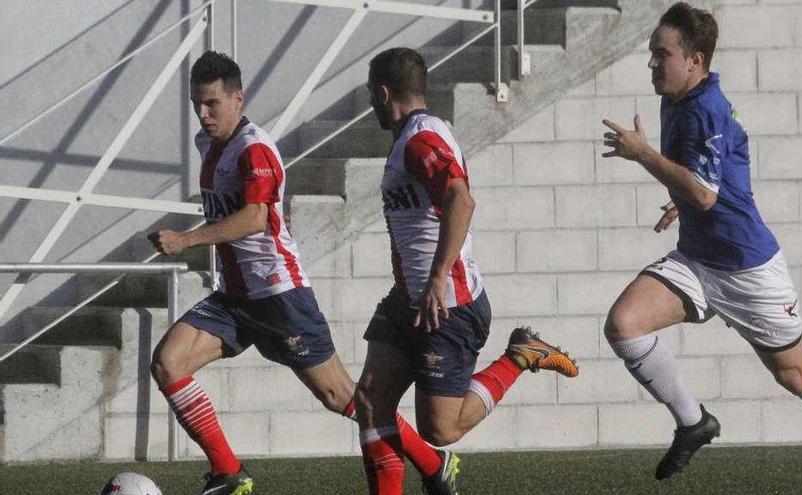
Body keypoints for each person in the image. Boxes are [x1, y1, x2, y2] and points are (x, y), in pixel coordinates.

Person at [149, 51, 459, 495]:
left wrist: (186, 239)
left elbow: (256, 218)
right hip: (235, 298)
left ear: (238, 98)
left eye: (212, 104)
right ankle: (229, 472)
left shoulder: (254, 149)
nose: (203, 114)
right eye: (197, 104)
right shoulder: (209, 145)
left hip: (279, 296)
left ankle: (434, 462)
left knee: (343, 398)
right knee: (167, 363)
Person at [599, 3, 802, 493]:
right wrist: (677, 199)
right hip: (698, 259)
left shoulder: (705, 107)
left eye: (660, 54)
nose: (651, 63)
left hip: (747, 268)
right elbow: (710, 181)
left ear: (695, 59)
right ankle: (693, 422)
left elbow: (706, 194)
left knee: (795, 376)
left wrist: (644, 156)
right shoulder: (677, 97)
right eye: (650, 53)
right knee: (624, 325)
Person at [353, 46, 580, 495]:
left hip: (448, 306)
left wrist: (437, 277)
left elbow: (461, 199)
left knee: (441, 430)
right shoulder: (414, 137)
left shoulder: (421, 140)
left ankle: (521, 356)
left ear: (382, 93)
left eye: (370, 95)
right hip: (408, 300)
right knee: (369, 401)